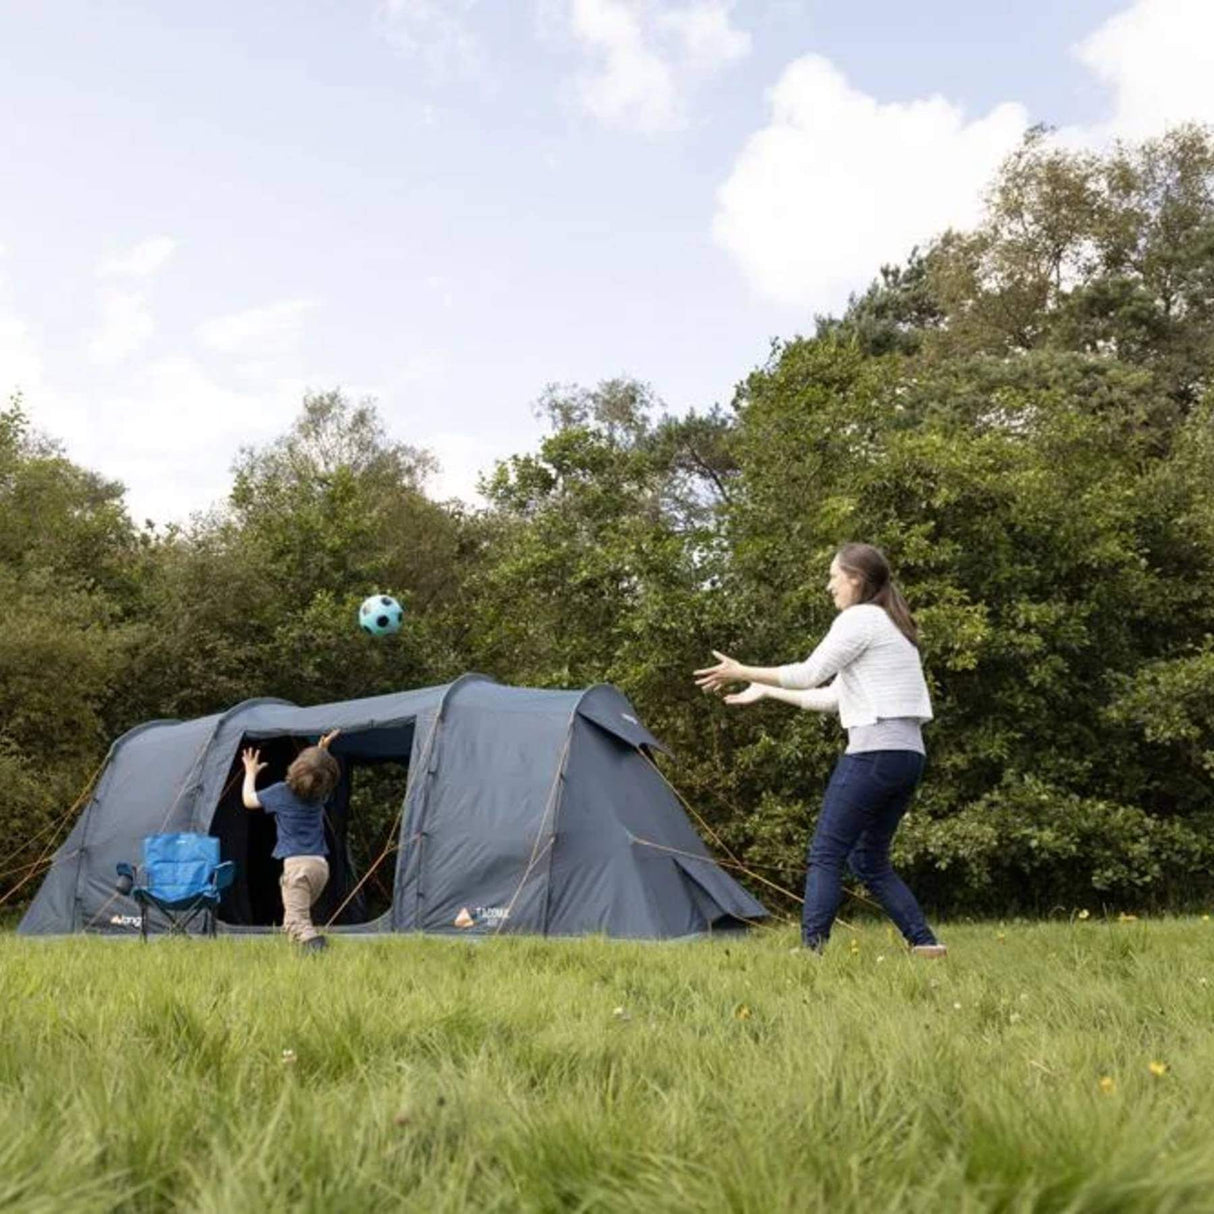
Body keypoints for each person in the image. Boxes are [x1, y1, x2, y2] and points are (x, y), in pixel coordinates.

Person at [694, 543, 945, 957]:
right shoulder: (891, 627)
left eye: (834, 576)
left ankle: (811, 949)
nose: (829, 585)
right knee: (868, 860)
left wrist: (741, 670)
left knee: (826, 853)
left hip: (873, 754)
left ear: (855, 579)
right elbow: (831, 698)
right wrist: (766, 690)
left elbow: (809, 673)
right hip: (906, 757)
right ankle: (925, 943)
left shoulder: (860, 618)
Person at [241, 730, 341, 952]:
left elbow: (248, 800)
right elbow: (317, 774)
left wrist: (250, 772)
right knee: (295, 918)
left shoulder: (281, 792)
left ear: (296, 768)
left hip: (298, 869)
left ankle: (320, 952)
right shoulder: (319, 796)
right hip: (320, 868)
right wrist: (322, 751)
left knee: (296, 923)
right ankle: (298, 960)